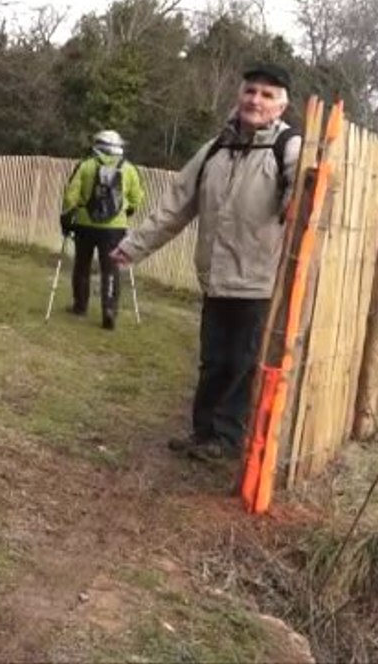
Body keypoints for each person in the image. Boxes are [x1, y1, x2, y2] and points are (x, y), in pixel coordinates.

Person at [111, 64, 302, 462]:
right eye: (251, 91)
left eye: (267, 95)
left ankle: (227, 438)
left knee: (241, 362)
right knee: (213, 360)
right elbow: (176, 205)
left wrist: (295, 197)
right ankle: (204, 433)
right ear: (239, 96)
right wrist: (133, 247)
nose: (256, 100)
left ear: (281, 106)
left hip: (260, 279)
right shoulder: (216, 149)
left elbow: (302, 194)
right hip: (216, 277)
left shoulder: (289, 147)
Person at [59, 130, 145, 330]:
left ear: (98, 144)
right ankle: (109, 310)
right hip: (114, 228)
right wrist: (127, 210)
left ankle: (80, 306)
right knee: (111, 269)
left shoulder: (86, 165)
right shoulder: (129, 169)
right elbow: (137, 198)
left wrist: (67, 218)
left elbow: (70, 195)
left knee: (82, 266)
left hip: (84, 224)